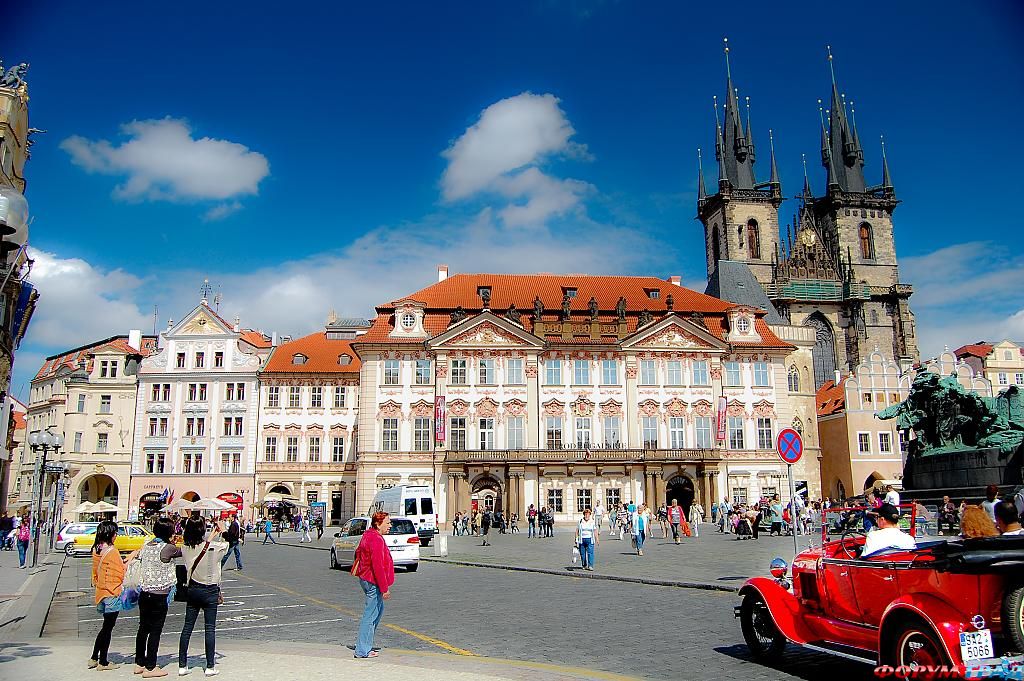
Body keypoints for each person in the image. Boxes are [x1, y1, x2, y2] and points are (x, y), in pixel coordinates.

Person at [178, 517, 228, 677]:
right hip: (210, 590)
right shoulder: (213, 547)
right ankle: (210, 666)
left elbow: (200, 548)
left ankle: (182, 665)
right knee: (209, 628)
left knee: (187, 628)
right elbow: (228, 544)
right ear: (202, 530)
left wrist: (212, 535)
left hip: (193, 589)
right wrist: (222, 530)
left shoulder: (185, 548)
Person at [135, 517, 182, 678]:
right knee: (156, 630)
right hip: (159, 595)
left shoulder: (147, 545)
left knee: (143, 628)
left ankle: (139, 663)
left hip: (144, 592)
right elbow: (183, 551)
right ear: (168, 532)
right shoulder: (168, 548)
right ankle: (150, 667)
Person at [90, 520, 138, 671]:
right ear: (109, 534)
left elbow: (98, 570)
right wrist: (131, 558)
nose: (116, 535)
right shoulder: (112, 551)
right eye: (115, 533)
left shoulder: (97, 549)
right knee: (108, 628)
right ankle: (103, 662)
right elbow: (120, 571)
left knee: (105, 626)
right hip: (112, 592)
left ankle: (94, 657)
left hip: (101, 592)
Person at [352, 511, 395, 659]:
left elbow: (358, 553)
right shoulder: (376, 539)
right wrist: (384, 588)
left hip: (366, 578)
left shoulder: (368, 535)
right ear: (378, 523)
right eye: (387, 523)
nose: (390, 525)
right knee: (370, 615)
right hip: (372, 581)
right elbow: (377, 566)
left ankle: (365, 645)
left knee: (377, 611)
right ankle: (362, 650)